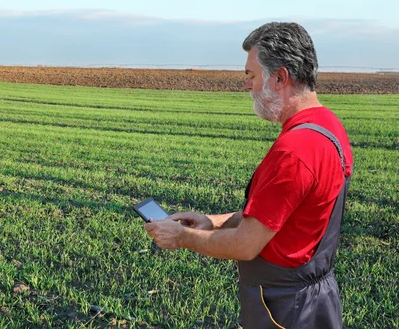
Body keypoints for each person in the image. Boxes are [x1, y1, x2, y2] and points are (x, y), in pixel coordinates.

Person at [144, 22, 353, 329]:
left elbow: (245, 244)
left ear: (280, 77)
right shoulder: (327, 125)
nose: (248, 86)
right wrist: (212, 222)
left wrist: (182, 237)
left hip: (285, 309)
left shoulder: (295, 151)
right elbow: (276, 216)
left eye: (251, 75)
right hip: (313, 299)